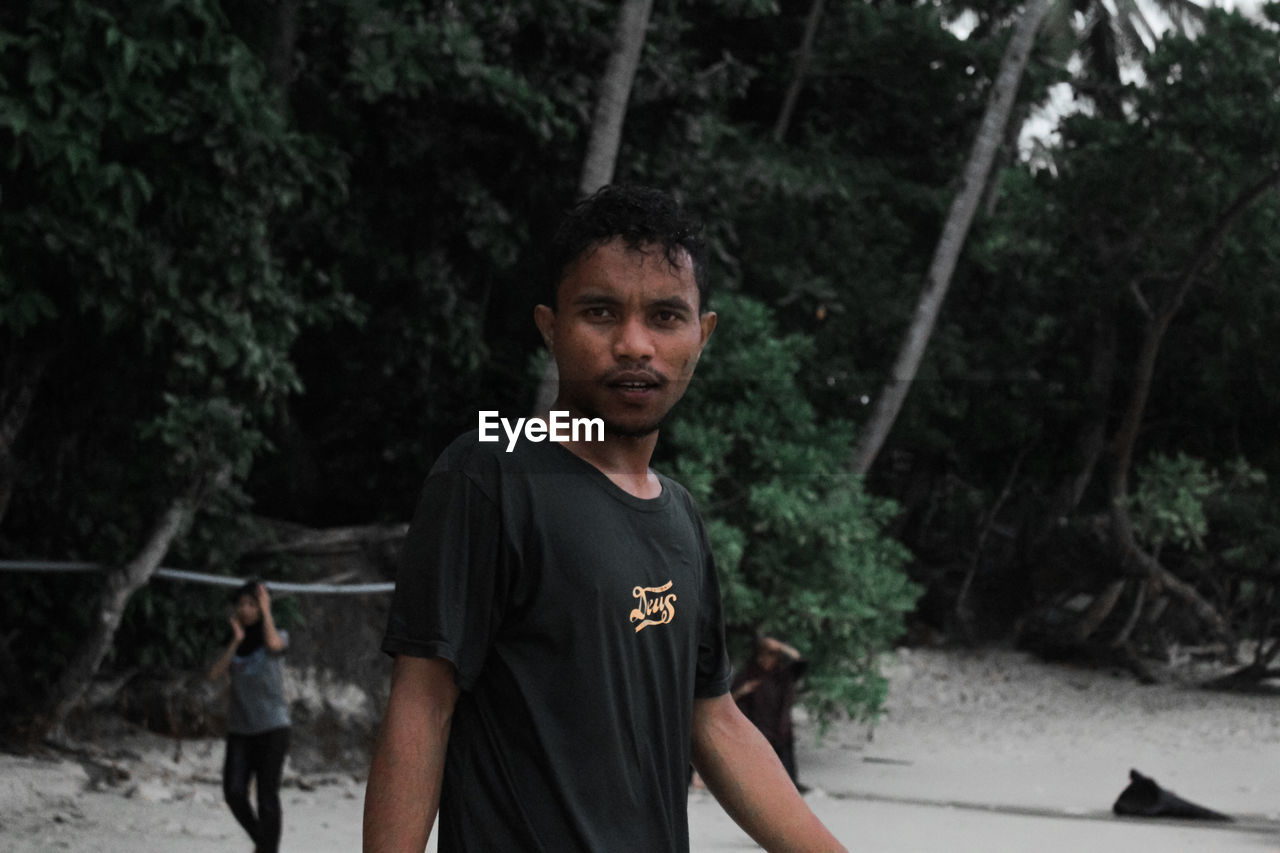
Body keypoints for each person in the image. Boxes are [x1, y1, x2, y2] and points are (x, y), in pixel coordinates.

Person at [363, 184, 846, 852]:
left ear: (702, 334)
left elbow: (714, 721)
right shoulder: (489, 470)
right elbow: (422, 703)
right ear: (550, 325)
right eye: (599, 311)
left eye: (666, 316)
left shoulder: (679, 515)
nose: (634, 344)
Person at [208, 580, 291, 853]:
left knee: (267, 797)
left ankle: (265, 849)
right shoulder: (233, 642)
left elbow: (275, 646)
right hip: (241, 729)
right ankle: (265, 845)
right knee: (234, 793)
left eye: (251, 604)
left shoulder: (277, 634)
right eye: (241, 604)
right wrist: (235, 642)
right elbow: (214, 674)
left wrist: (267, 611)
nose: (245, 609)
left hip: (273, 727)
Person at [733, 635, 809, 791]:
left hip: (781, 727)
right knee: (759, 768)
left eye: (771, 656)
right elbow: (727, 700)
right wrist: (743, 690)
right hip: (758, 728)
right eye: (764, 656)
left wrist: (780, 645)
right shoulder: (748, 675)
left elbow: (800, 661)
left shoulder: (782, 675)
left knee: (787, 769)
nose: (767, 661)